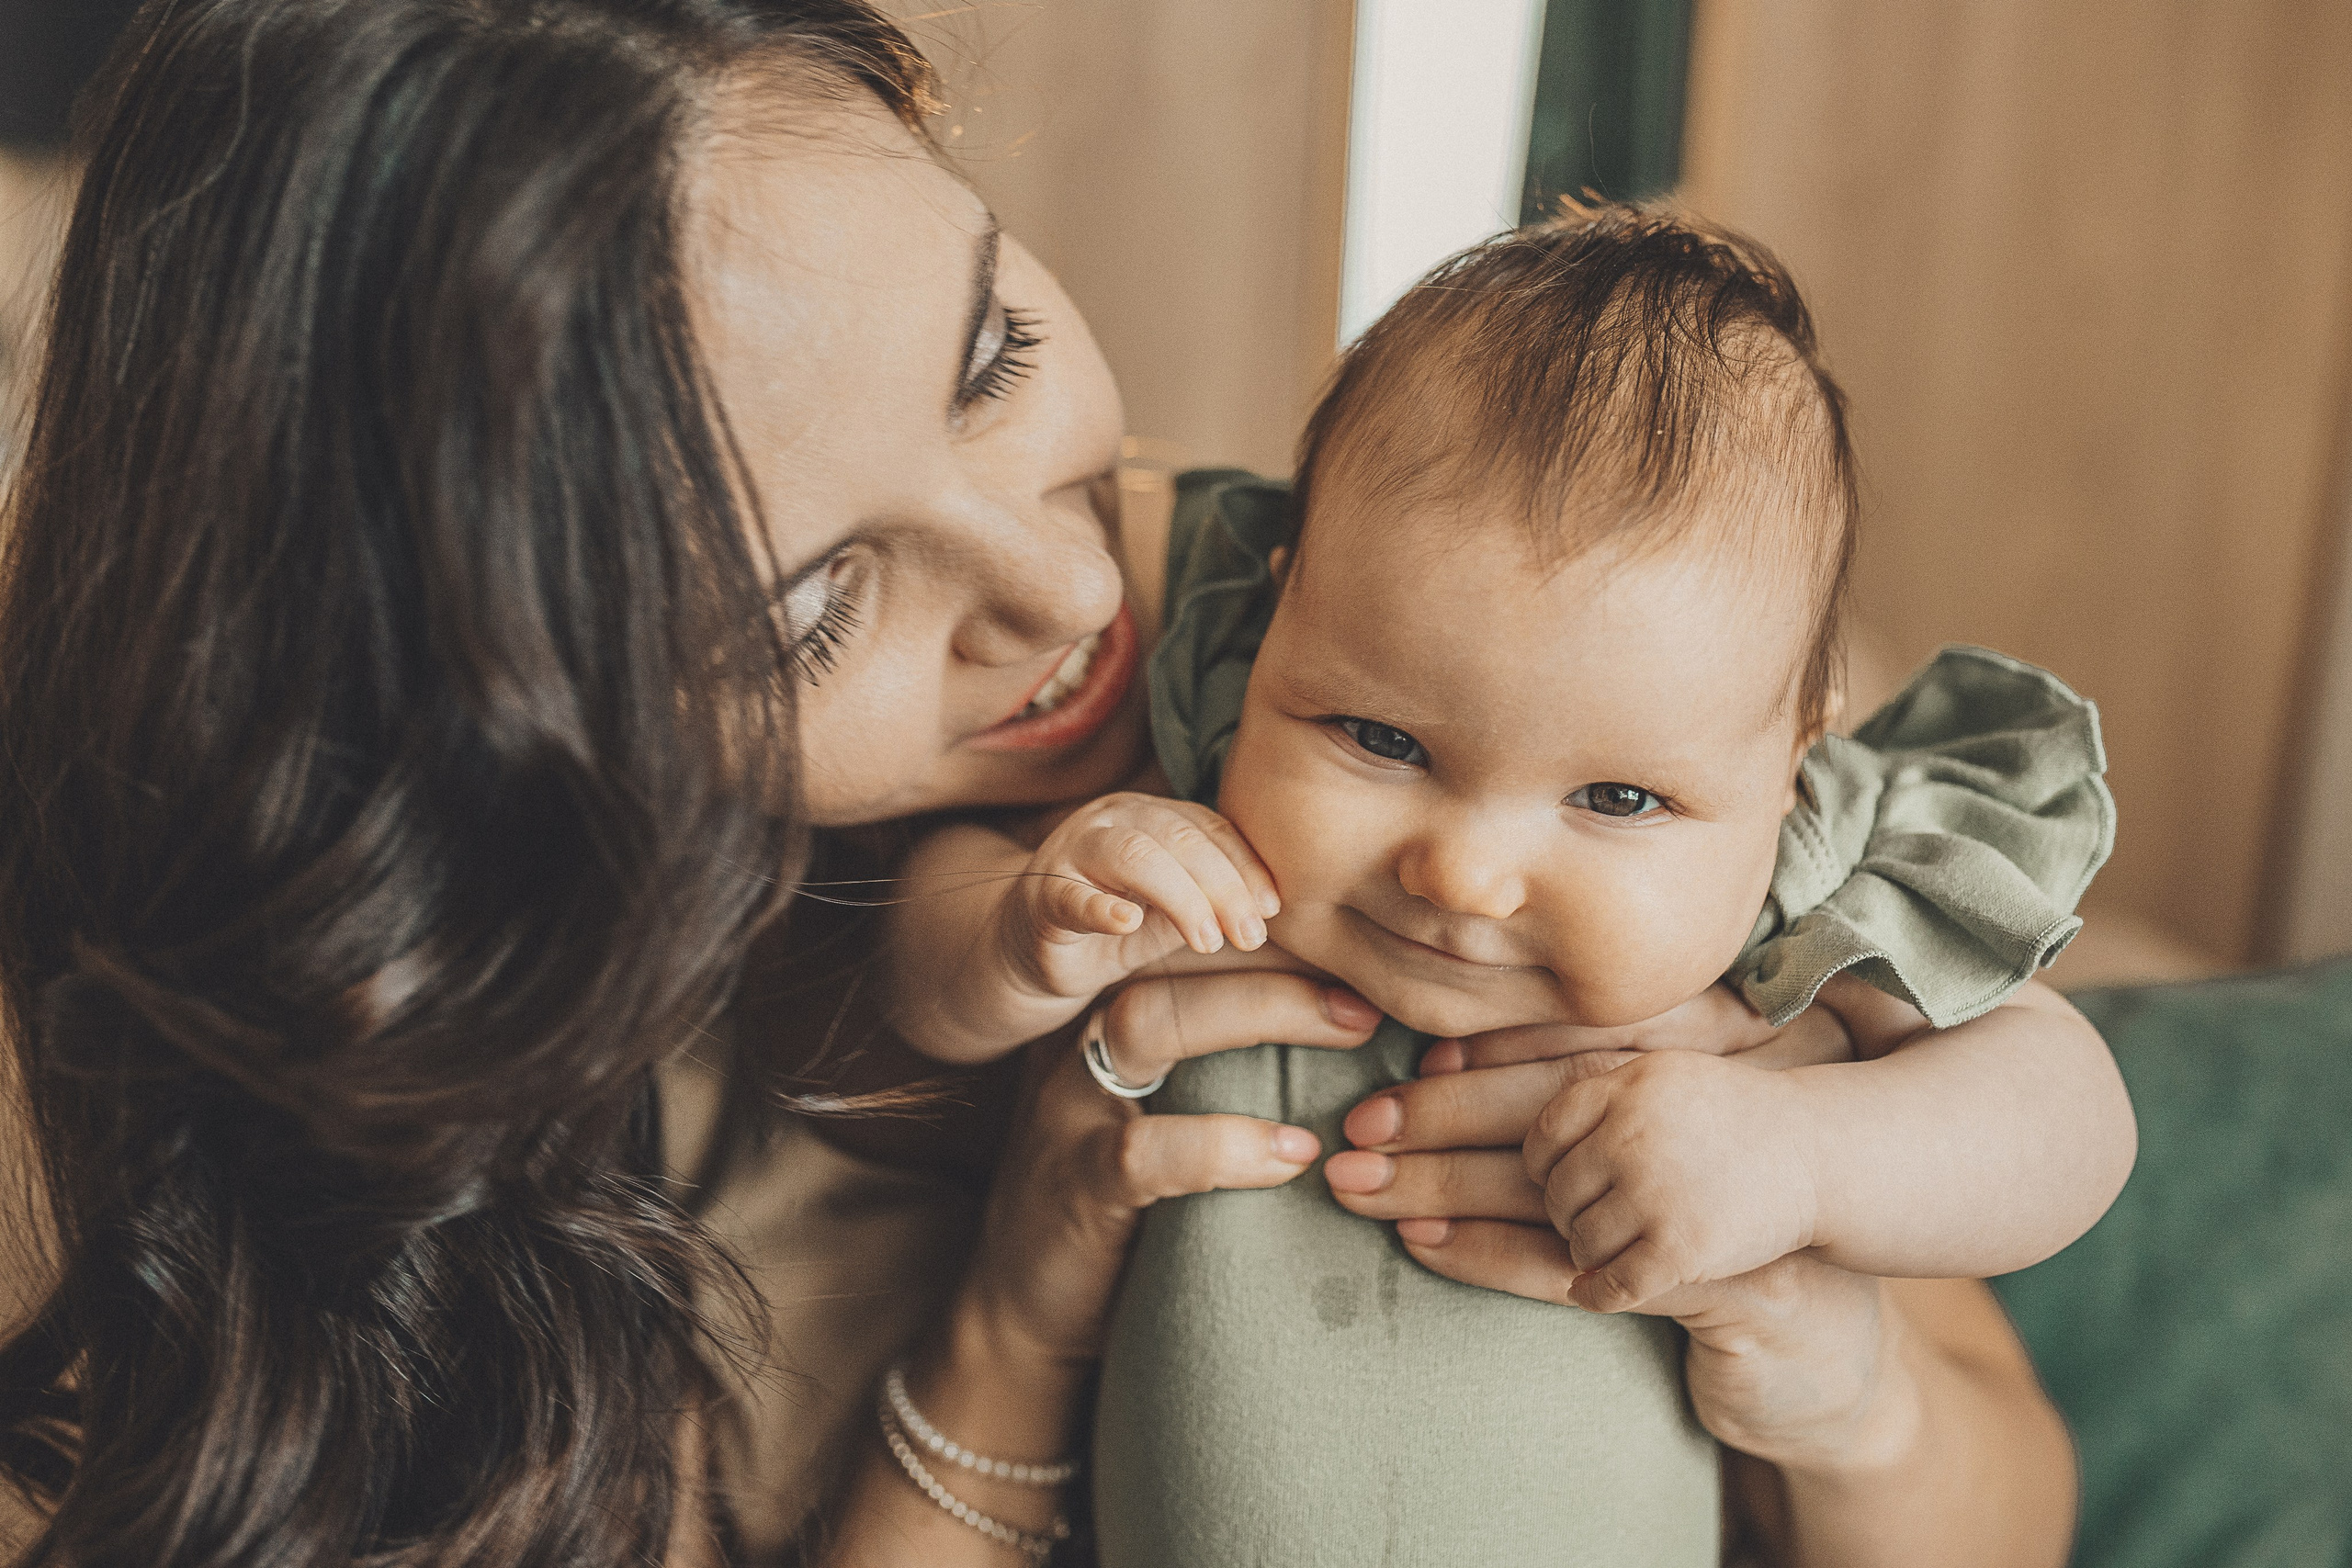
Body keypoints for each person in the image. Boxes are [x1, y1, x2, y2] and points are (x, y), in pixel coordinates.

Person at [0, 3, 2086, 1564]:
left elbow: (2003, 1481)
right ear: (488, 715)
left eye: (993, 355)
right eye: (809, 610)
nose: (1065, 581)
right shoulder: (352, 1162)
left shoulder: (1459, 616)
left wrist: (1831, 1365)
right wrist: (1013, 1315)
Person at [879, 207, 2134, 1562]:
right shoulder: (1191, 777)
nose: (1463, 878)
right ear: (1280, 619)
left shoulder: (1787, 917)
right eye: (1380, 738)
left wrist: (1802, 1160)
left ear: (1793, 760)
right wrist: (1021, 931)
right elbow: (931, 955)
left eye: (1617, 800)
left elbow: (2068, 1116)